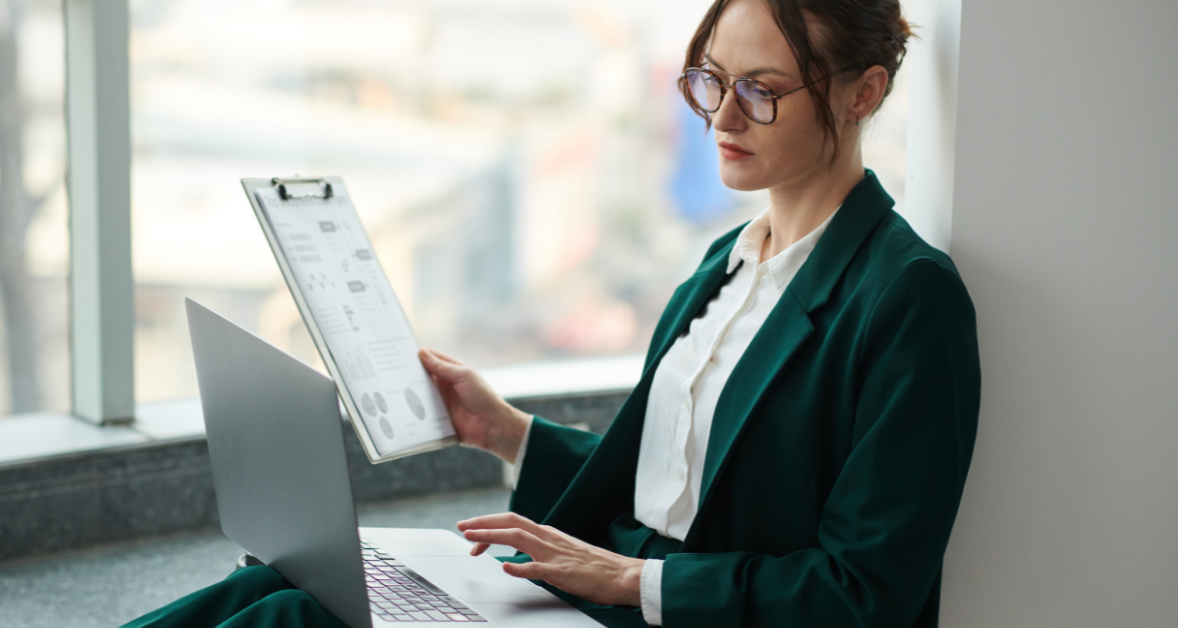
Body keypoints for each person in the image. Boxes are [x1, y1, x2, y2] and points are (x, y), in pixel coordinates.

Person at [123, 0, 978, 626]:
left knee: (296, 624)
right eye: (710, 80)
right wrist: (506, 433)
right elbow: (671, 491)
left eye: (760, 90)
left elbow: (867, 594)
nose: (721, 116)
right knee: (268, 586)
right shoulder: (728, 263)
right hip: (608, 591)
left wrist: (627, 581)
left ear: (864, 93)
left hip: (667, 616)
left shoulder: (907, 297)